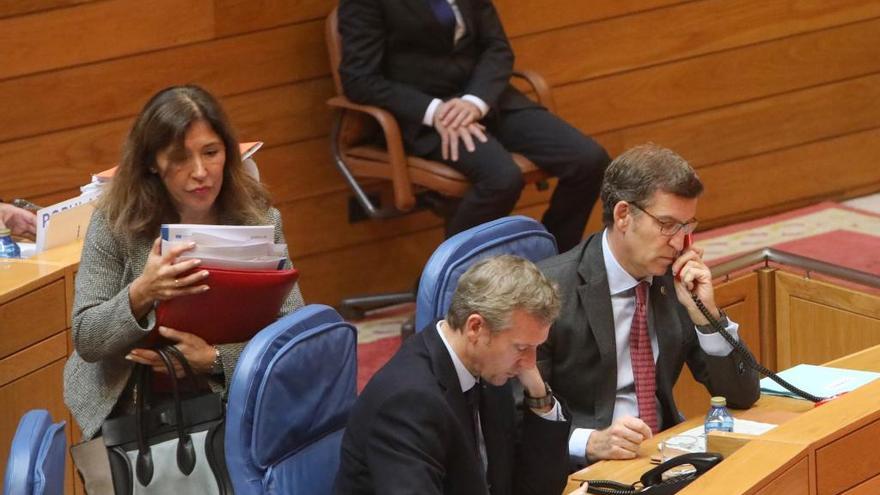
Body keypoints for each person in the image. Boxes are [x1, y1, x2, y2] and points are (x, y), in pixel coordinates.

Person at [63, 85, 305, 439]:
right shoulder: (115, 222)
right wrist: (141, 292)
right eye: (179, 158)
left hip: (230, 393)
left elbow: (294, 333)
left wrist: (214, 360)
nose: (200, 172)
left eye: (211, 152)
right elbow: (87, 338)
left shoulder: (259, 220)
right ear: (152, 163)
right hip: (134, 405)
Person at [536, 144, 760, 467]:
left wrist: (707, 316)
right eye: (667, 225)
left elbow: (742, 394)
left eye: (687, 227)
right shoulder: (552, 289)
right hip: (586, 467)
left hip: (663, 455)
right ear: (623, 215)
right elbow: (516, 415)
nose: (678, 242)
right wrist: (589, 441)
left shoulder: (676, 279)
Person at [337, 0, 609, 252]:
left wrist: (475, 101)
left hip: (485, 98)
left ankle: (553, 262)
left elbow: (497, 47)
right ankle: (440, 281)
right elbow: (359, 79)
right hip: (425, 116)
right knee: (502, 178)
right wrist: (435, 112)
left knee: (589, 160)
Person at [334, 255, 571, 495]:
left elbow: (536, 489)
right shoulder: (408, 402)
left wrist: (539, 395)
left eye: (536, 347)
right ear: (475, 328)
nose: (531, 362)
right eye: (522, 347)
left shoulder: (488, 367)